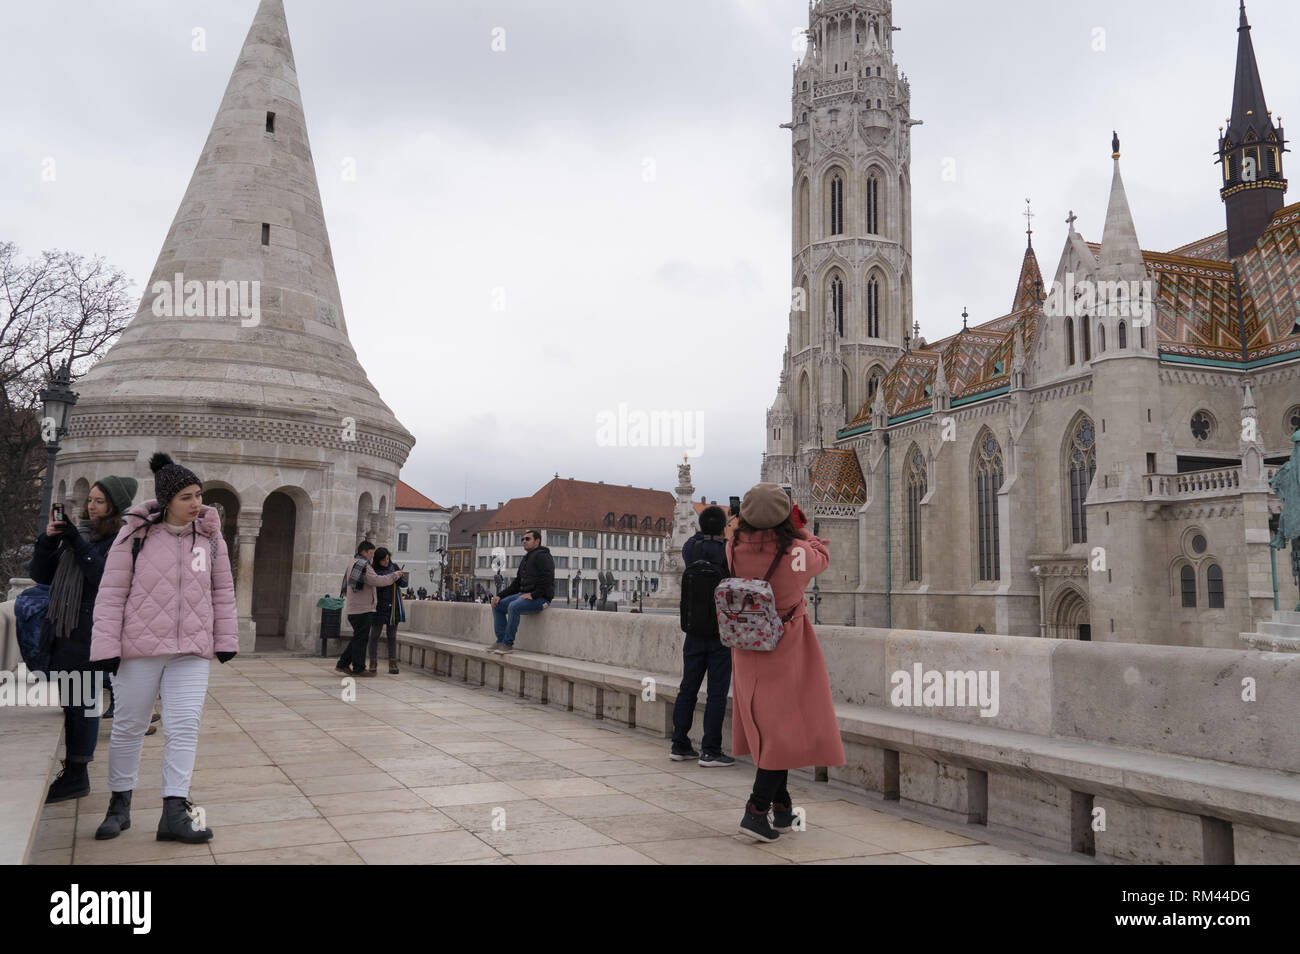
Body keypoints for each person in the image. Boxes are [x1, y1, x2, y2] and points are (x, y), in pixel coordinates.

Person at [89, 453, 238, 844]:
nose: (197, 504)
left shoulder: (209, 538)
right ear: (167, 500)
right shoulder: (135, 535)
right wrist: (106, 646)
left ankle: (174, 812)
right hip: (138, 649)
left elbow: (221, 590)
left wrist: (225, 639)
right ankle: (118, 806)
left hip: (191, 650)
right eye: (188, 496)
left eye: (199, 495)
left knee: (184, 727)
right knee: (129, 728)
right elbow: (111, 594)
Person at [725, 483, 844, 842]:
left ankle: (783, 809)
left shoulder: (733, 547)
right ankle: (756, 811)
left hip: (746, 646)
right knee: (783, 731)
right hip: (785, 645)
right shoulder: (795, 551)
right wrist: (801, 528)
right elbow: (822, 555)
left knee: (773, 727)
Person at [30, 476, 138, 804]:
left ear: (115, 506)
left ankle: (78, 776)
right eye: (90, 499)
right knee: (73, 703)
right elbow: (40, 576)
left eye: (99, 501)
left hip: (93, 634)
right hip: (66, 630)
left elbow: (102, 576)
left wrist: (75, 540)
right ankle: (74, 773)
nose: (91, 506)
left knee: (84, 706)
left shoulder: (122, 538)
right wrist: (48, 542)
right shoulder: (82, 534)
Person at [670, 505, 734, 767]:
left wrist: (705, 532)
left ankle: (679, 744)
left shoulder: (690, 549)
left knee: (688, 687)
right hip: (720, 631)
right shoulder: (727, 552)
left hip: (693, 629)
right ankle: (710, 750)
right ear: (722, 528)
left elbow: (694, 538)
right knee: (716, 693)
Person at [336, 542, 404, 677]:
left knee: (358, 638)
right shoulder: (363, 565)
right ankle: (359, 668)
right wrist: (395, 575)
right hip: (362, 608)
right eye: (371, 553)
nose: (372, 556)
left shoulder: (353, 562)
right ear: (364, 552)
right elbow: (377, 580)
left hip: (355, 607)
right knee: (361, 640)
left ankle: (343, 664)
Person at [490, 529, 553, 654]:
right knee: (497, 605)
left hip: (541, 598)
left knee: (514, 606)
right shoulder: (526, 559)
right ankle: (500, 641)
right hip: (523, 595)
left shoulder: (543, 556)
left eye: (527, 539)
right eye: (522, 539)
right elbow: (516, 584)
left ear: (537, 541)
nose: (524, 541)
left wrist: (534, 595)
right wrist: (499, 596)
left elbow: (548, 578)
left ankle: (507, 644)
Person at [368, 547, 406, 675]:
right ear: (378, 560)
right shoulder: (373, 569)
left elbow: (404, 583)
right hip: (378, 606)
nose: (386, 562)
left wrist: (400, 577)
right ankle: (373, 662)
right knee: (374, 635)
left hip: (393, 604)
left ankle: (393, 662)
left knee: (392, 636)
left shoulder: (394, 566)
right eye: (384, 560)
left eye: (387, 559)